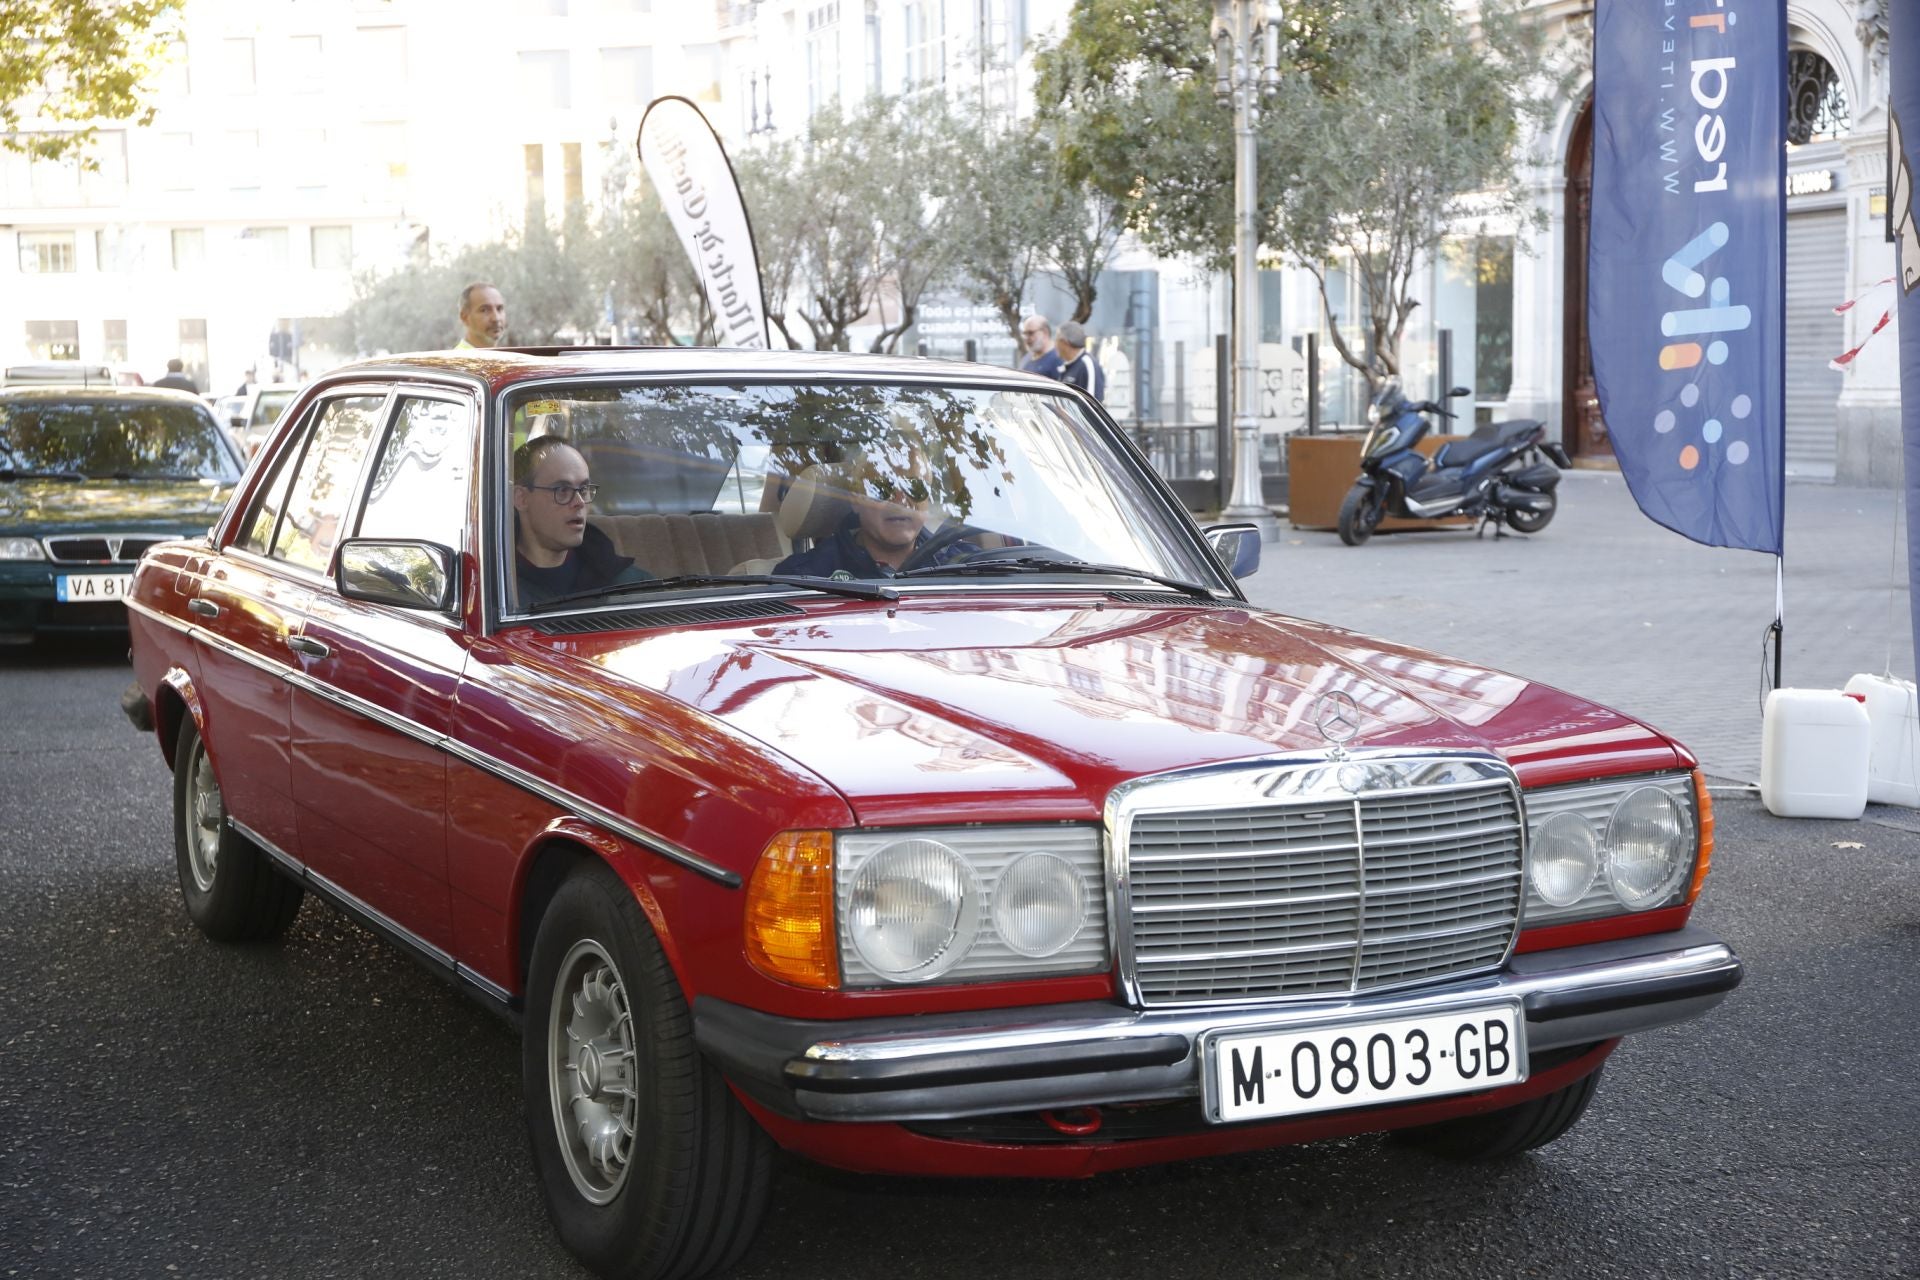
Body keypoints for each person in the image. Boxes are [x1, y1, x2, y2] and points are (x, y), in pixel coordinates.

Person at [774, 452, 979, 580]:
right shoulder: (804, 577)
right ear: (855, 500)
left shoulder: (968, 565)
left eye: (914, 487)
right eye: (881, 489)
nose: (900, 500)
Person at [511, 436, 651, 607]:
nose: (580, 502)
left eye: (583, 489)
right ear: (521, 498)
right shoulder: (491, 592)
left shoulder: (631, 587)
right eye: (562, 489)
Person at [1053, 320, 1107, 401]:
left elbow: (1093, 404)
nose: (1055, 344)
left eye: (1056, 340)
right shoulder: (1068, 366)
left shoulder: (1087, 364)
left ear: (1064, 342)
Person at [457, 282, 507, 349]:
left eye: (499, 309)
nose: (496, 318)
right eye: (484, 310)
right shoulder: (456, 359)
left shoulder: (506, 358)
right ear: (464, 317)